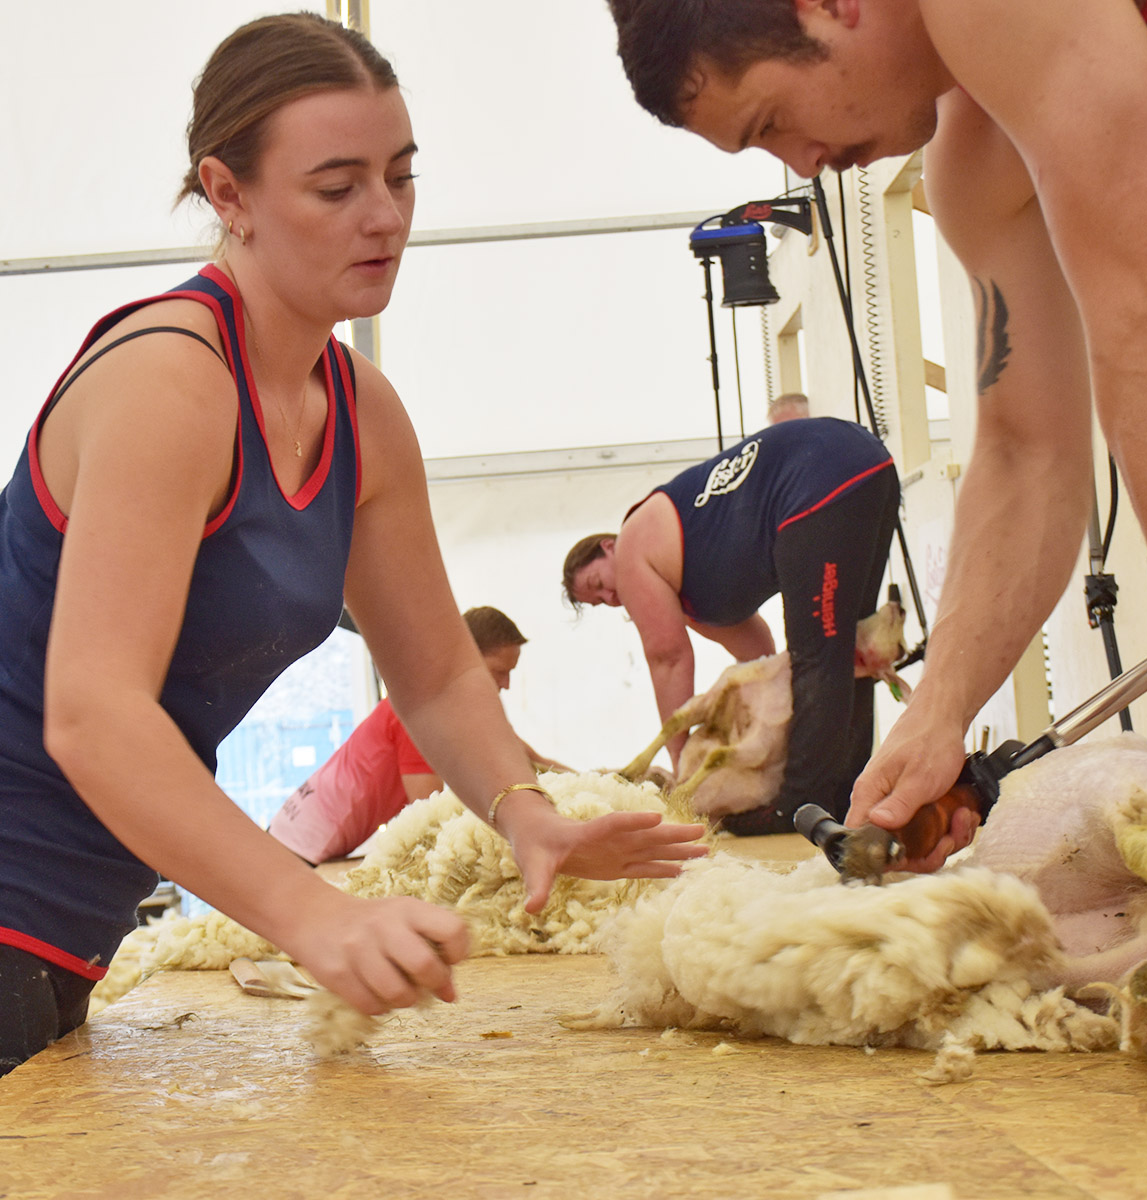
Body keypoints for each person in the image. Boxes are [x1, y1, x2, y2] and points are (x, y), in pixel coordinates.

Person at [0, 13, 706, 1077]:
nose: (384, 218)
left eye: (401, 177)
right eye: (336, 189)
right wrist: (311, 915)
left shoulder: (361, 413)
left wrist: (524, 812)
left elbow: (435, 677)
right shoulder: (169, 384)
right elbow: (93, 717)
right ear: (227, 194)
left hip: (61, 926)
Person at [605, 0, 1147, 867]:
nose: (805, 165)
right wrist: (937, 717)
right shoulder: (977, 154)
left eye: (774, 121)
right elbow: (1027, 447)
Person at [563, 416, 899, 834]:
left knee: (820, 656)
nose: (613, 598)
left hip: (818, 480)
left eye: (600, 583)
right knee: (852, 652)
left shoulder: (634, 544)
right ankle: (844, 795)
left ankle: (798, 804)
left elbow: (668, 657)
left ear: (608, 547)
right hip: (867, 467)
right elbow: (759, 657)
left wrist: (682, 768)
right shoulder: (692, 582)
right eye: (600, 602)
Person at [269, 606, 571, 864]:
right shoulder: (421, 710)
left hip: (307, 829)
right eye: (499, 671)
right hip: (301, 840)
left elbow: (527, 759)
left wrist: (602, 783)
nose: (506, 685)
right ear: (468, 660)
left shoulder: (460, 711)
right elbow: (427, 812)